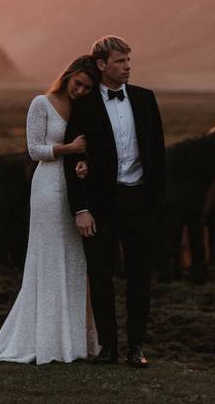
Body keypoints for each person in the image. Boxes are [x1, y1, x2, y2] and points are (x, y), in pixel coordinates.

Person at [0, 55, 100, 367]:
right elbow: (34, 150)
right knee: (47, 256)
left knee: (73, 258)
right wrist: (71, 150)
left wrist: (84, 162)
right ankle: (45, 337)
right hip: (47, 186)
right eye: (78, 84)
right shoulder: (41, 103)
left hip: (73, 185)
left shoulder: (82, 108)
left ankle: (72, 338)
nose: (81, 90)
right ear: (68, 75)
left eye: (88, 87)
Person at [63, 36, 166, 368]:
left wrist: (156, 202)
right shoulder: (85, 105)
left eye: (128, 61)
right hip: (101, 204)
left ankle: (135, 348)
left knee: (139, 277)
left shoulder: (145, 99)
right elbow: (72, 161)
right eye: (120, 61)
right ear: (101, 65)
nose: (127, 67)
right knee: (101, 274)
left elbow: (158, 155)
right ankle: (108, 346)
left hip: (140, 202)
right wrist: (80, 208)